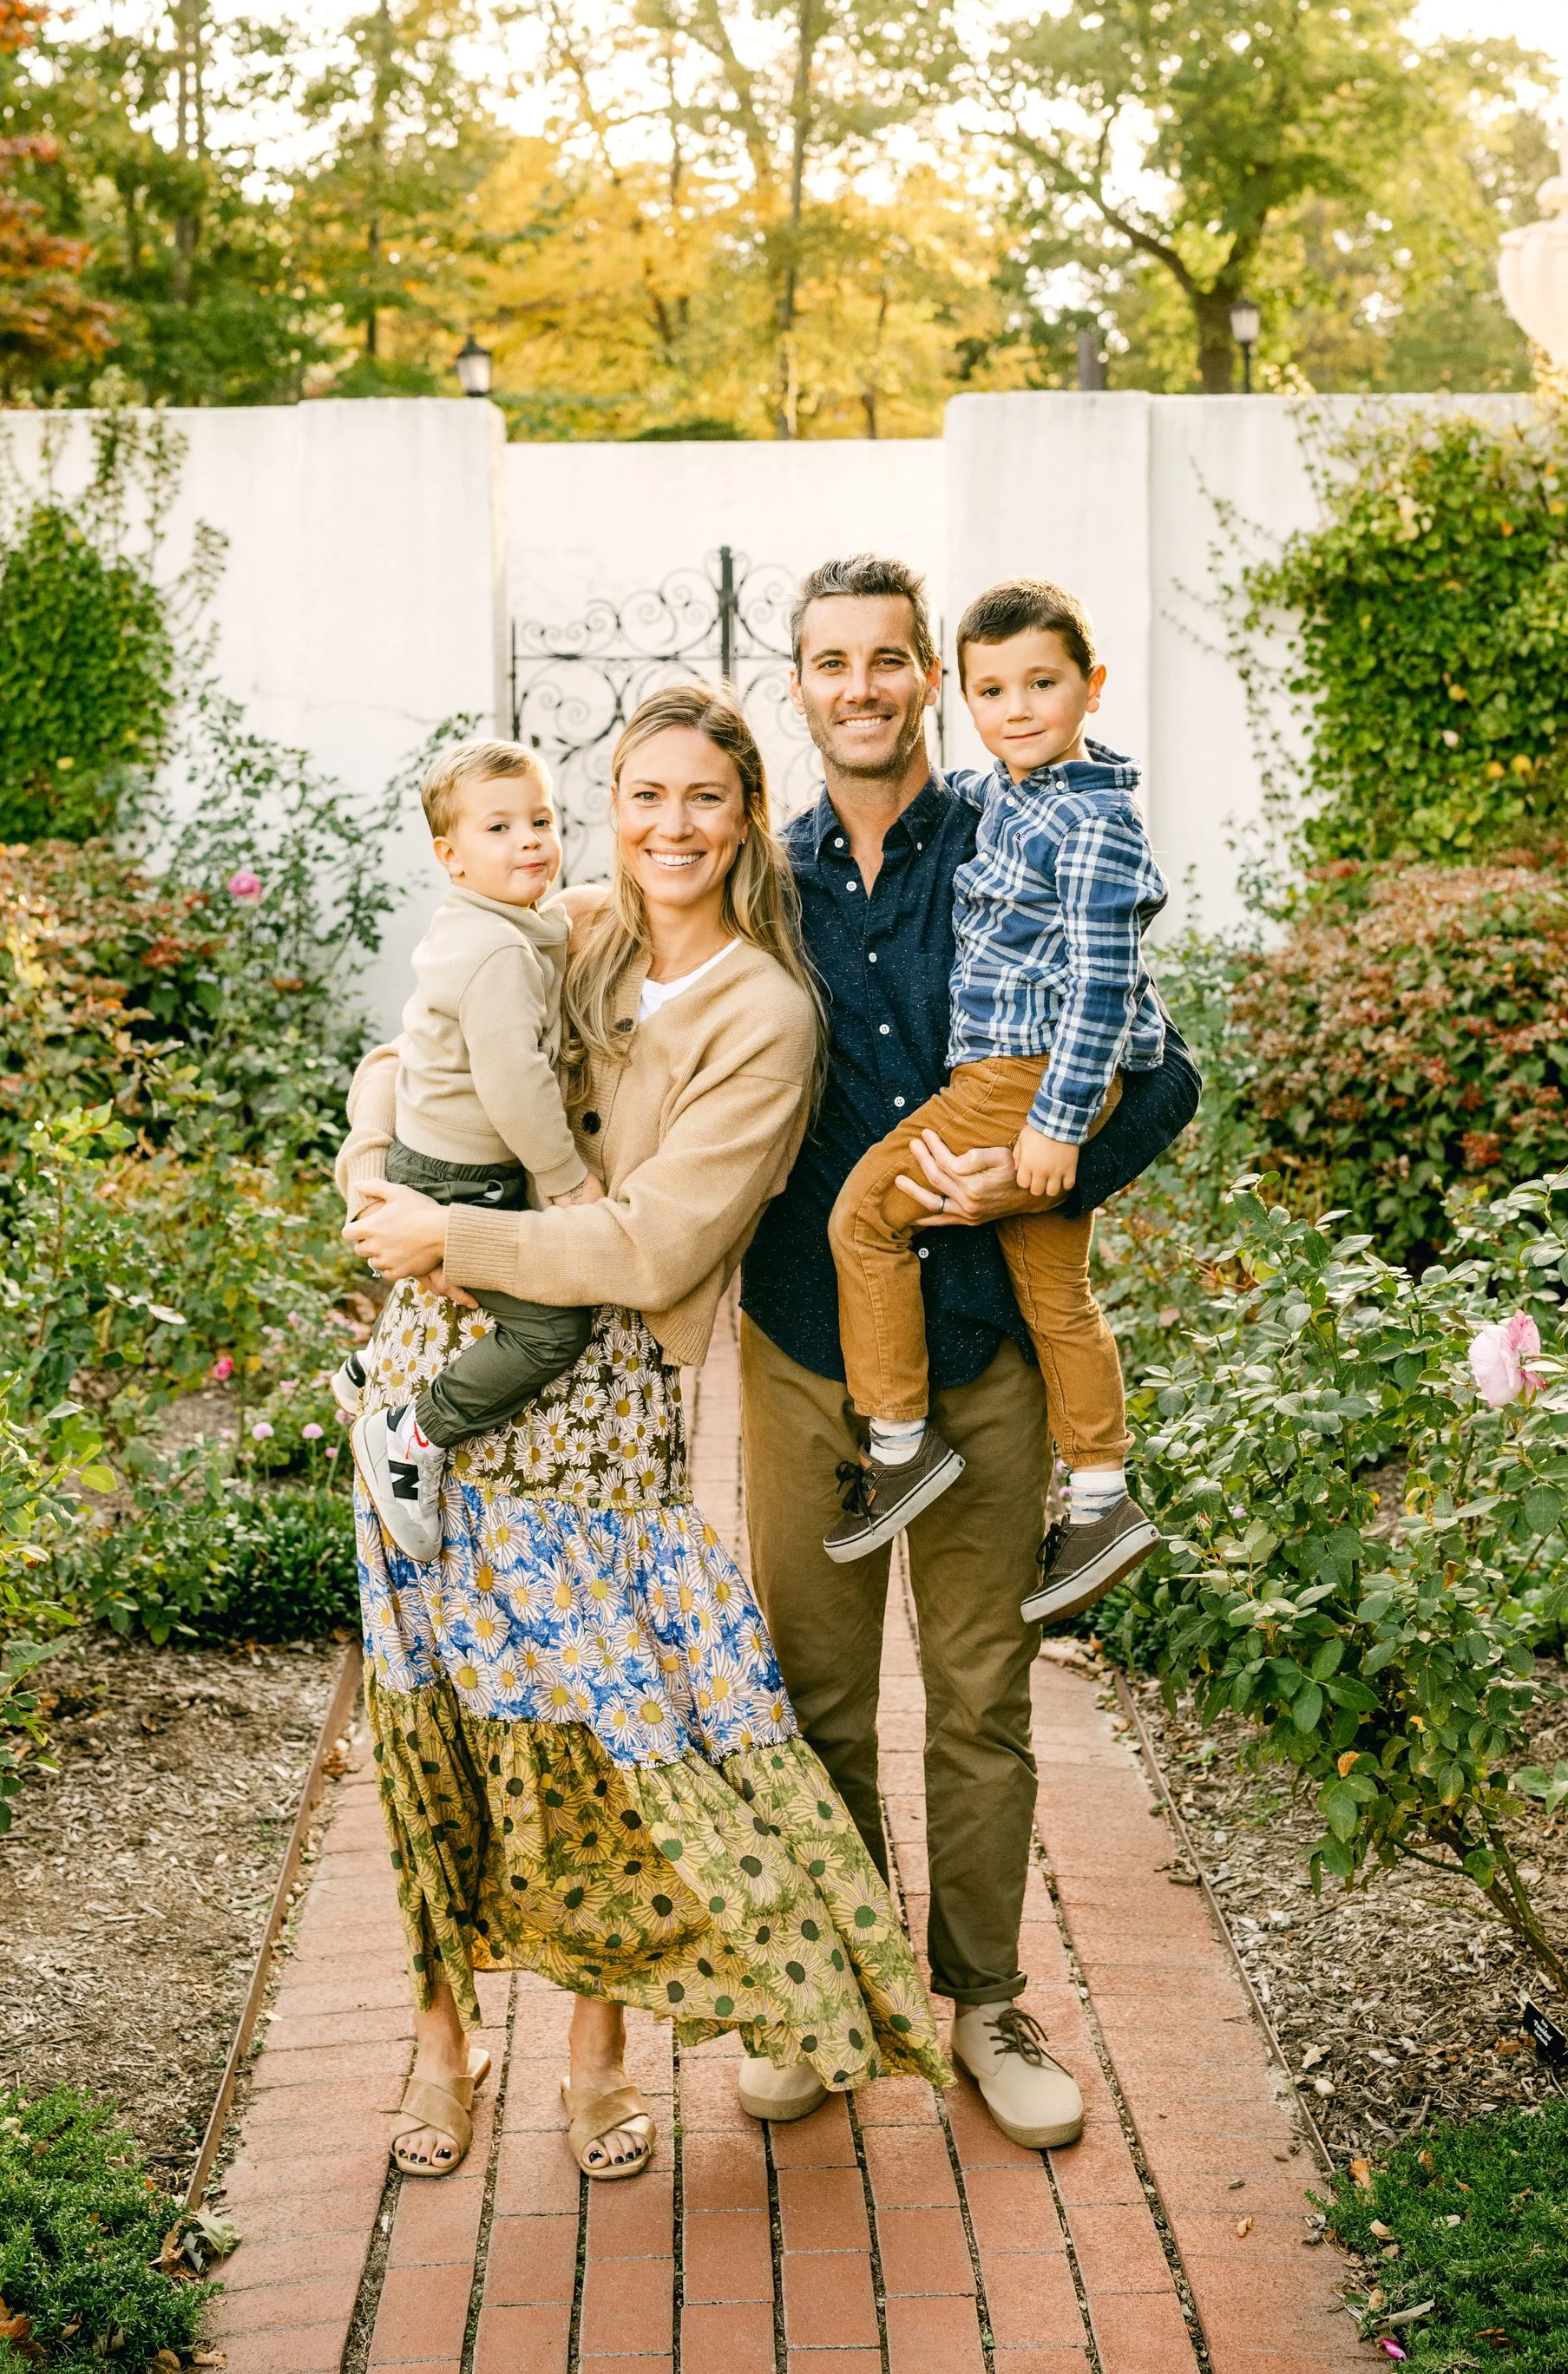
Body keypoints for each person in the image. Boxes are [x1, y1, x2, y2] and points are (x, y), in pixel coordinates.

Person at [339, 685, 951, 2187]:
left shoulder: (768, 1012)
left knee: (607, 1735)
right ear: (613, 811)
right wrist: (373, 1178)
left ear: (748, 816)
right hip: (437, 1352)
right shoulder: (571, 924)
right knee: (434, 1716)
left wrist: (458, 1235)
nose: (670, 825)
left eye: (704, 798)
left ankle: (598, 2049)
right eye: (643, 796)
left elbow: (665, 1246)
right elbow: (412, 1048)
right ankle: (440, 2034)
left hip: (600, 1407)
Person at [737, 555, 1198, 2153]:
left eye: (884, 660)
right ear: (793, 685)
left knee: (982, 1698)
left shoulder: (1016, 828)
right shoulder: (760, 873)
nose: (857, 687)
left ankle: (985, 2005)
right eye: (825, 662)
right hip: (806, 1347)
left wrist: (1037, 1166)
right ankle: (834, 1996)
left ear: (927, 672)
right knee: (814, 1697)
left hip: (985, 1342)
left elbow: (1164, 1074)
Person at [820, 577, 1165, 1629]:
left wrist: (1058, 1127)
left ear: (1092, 686)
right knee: (1057, 1295)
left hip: (1020, 1077)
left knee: (862, 1219)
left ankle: (897, 1441)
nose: (1016, 709)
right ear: (959, 694)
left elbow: (1107, 984)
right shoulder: (1009, 795)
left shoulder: (1093, 824)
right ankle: (1101, 1495)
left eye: (1041, 685)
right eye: (992, 690)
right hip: (1026, 1077)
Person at [344, 738, 606, 1564]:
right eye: (500, 827)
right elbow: (515, 1085)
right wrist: (565, 1181)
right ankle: (411, 1435)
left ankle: (369, 1366)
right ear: (450, 857)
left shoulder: (492, 925)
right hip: (466, 1177)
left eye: (541, 818)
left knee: (470, 1285)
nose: (530, 839)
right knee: (550, 1330)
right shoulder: (497, 952)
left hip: (439, 1159)